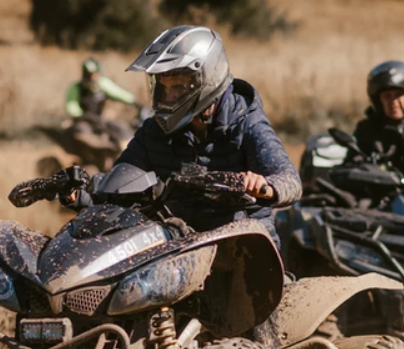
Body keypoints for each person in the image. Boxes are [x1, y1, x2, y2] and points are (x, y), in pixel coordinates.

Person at [108, 25, 301, 250]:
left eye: (178, 87)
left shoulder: (246, 123)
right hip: (179, 243)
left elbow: (290, 181)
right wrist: (84, 192)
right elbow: (121, 178)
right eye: (163, 87)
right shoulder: (155, 130)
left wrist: (264, 186)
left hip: (242, 248)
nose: (168, 96)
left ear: (207, 80)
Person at [64, 57, 136, 120]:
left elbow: (119, 93)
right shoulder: (76, 87)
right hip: (82, 120)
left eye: (94, 74)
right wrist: (81, 117)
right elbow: (72, 106)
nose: (92, 77)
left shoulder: (103, 84)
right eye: (88, 74)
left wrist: (132, 101)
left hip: (99, 120)